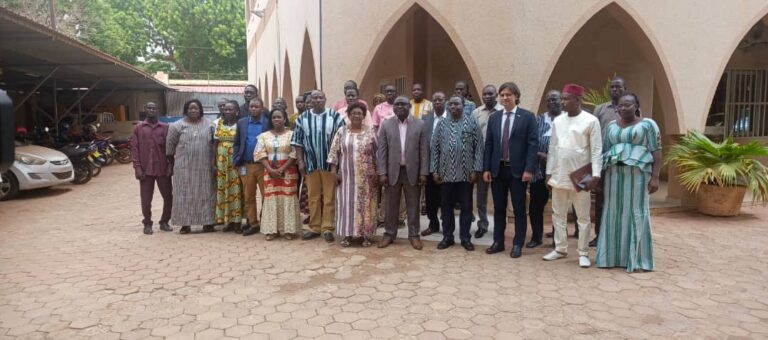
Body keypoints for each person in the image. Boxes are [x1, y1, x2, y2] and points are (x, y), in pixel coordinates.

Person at [596, 93, 660, 272]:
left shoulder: (648, 125)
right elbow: (606, 151)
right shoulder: (610, 126)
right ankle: (610, 257)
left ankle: (637, 258)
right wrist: (599, 177)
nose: (623, 108)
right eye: (621, 106)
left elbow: (656, 151)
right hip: (614, 176)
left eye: (628, 105)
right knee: (612, 213)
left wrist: (655, 177)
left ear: (636, 105)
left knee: (636, 213)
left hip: (638, 177)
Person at [542, 84, 602, 268]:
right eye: (562, 98)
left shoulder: (591, 121)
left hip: (581, 176)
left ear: (577, 100)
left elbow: (597, 149)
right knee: (557, 214)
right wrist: (548, 172)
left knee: (582, 217)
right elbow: (552, 148)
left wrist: (596, 175)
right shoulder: (558, 120)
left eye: (566, 99)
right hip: (559, 174)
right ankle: (560, 248)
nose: (562, 102)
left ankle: (583, 252)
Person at [482, 82, 538, 258]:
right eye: (502, 95)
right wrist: (486, 168)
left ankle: (517, 243)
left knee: (519, 208)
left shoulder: (528, 117)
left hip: (518, 172)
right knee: (499, 208)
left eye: (508, 95)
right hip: (498, 170)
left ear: (516, 96)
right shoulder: (495, 118)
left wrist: (529, 169)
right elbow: (489, 144)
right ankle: (498, 241)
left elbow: (532, 145)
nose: (505, 98)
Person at [292, 90, 346, 242]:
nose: (317, 100)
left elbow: (342, 140)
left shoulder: (335, 116)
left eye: (320, 97)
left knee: (329, 197)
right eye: (314, 98)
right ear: (310, 100)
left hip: (330, 165)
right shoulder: (302, 118)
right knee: (313, 196)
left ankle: (327, 227)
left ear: (325, 99)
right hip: (310, 164)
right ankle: (315, 227)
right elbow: (297, 141)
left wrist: (338, 164)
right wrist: (300, 161)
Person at [431, 96, 484, 251]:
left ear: (463, 105)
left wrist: (476, 170)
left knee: (466, 207)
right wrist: (434, 170)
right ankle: (447, 237)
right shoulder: (441, 124)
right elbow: (435, 148)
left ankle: (465, 238)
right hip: (445, 174)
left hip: (466, 175)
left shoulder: (471, 122)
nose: (453, 106)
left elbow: (479, 148)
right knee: (446, 207)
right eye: (451, 103)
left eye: (457, 103)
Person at [376, 96, 428, 250]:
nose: (399, 107)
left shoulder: (420, 124)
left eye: (403, 104)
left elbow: (424, 151)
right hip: (392, 171)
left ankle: (414, 235)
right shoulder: (386, 125)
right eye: (397, 105)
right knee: (391, 205)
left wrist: (424, 172)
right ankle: (389, 234)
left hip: (412, 171)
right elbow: (382, 151)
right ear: (393, 108)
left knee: (413, 205)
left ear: (409, 106)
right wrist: (382, 172)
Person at [328, 101, 379, 247]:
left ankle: (366, 235)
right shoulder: (341, 131)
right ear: (348, 115)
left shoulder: (370, 131)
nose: (357, 115)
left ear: (364, 116)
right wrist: (333, 172)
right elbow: (333, 153)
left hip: (367, 178)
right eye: (353, 113)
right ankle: (348, 235)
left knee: (366, 205)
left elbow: (378, 153)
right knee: (346, 205)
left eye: (360, 113)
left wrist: (378, 172)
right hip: (346, 177)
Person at [166, 99, 217, 234]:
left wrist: (214, 164)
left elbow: (215, 145)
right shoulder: (176, 126)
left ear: (201, 110)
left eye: (196, 108)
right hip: (184, 168)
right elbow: (170, 147)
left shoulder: (210, 125)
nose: (193, 111)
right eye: (190, 108)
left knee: (206, 193)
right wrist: (171, 165)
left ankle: (208, 223)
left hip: (205, 167)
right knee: (184, 195)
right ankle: (185, 224)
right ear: (185, 110)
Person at [589, 76, 627, 247]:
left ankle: (617, 236)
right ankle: (599, 236)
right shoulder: (600, 109)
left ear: (624, 89)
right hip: (603, 161)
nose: (614, 90)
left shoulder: (631, 110)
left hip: (623, 163)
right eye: (612, 87)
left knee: (619, 199)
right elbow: (593, 134)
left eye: (618, 87)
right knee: (600, 200)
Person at [254, 108, 301, 240]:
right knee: (271, 199)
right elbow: (260, 153)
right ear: (271, 120)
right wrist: (270, 170)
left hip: (288, 172)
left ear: (285, 119)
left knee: (288, 198)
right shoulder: (264, 136)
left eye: (279, 117)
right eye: (274, 117)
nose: (276, 119)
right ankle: (272, 230)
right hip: (270, 173)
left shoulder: (292, 134)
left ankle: (288, 230)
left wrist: (283, 169)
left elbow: (294, 153)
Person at [131, 101, 173, 235]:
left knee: (168, 197)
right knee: (146, 199)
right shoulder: (139, 128)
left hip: (162, 169)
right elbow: (135, 149)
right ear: (145, 109)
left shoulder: (165, 127)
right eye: (149, 108)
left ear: (158, 110)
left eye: (154, 108)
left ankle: (164, 221)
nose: (152, 110)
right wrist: (137, 168)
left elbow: (170, 148)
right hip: (145, 170)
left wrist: (171, 166)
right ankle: (147, 223)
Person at [233, 98, 272, 236]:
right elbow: (237, 143)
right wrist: (236, 160)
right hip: (246, 165)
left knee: (266, 195)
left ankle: (266, 222)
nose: (254, 109)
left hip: (263, 166)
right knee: (248, 196)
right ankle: (253, 223)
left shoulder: (268, 123)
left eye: (257, 106)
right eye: (251, 106)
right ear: (248, 108)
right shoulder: (242, 123)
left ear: (262, 108)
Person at [528, 90, 562, 248]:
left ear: (561, 100)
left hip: (560, 169)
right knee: (535, 205)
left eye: (555, 99)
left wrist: (550, 157)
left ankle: (558, 238)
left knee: (558, 205)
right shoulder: (539, 119)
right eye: (549, 100)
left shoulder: (567, 120)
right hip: (539, 170)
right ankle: (536, 237)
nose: (552, 103)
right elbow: (531, 140)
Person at [470, 85, 503, 239]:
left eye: (490, 93)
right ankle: (482, 225)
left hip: (498, 159)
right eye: (485, 94)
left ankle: (500, 227)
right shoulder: (476, 112)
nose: (487, 96)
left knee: (499, 196)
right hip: (480, 159)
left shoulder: (503, 111)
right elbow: (470, 135)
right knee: (481, 196)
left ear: (496, 95)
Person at [214, 101, 243, 233]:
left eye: (231, 109)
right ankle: (227, 221)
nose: (227, 112)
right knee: (223, 189)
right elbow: (214, 144)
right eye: (225, 109)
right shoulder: (218, 124)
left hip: (235, 162)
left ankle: (237, 221)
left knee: (236, 190)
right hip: (221, 162)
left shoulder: (241, 124)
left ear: (237, 111)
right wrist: (213, 162)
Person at [420, 91, 446, 236]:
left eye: (440, 100)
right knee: (431, 199)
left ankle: (447, 227)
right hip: (430, 165)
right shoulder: (426, 119)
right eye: (435, 100)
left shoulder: (452, 117)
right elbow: (423, 145)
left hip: (448, 166)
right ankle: (433, 224)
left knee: (446, 198)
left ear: (445, 101)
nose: (437, 102)